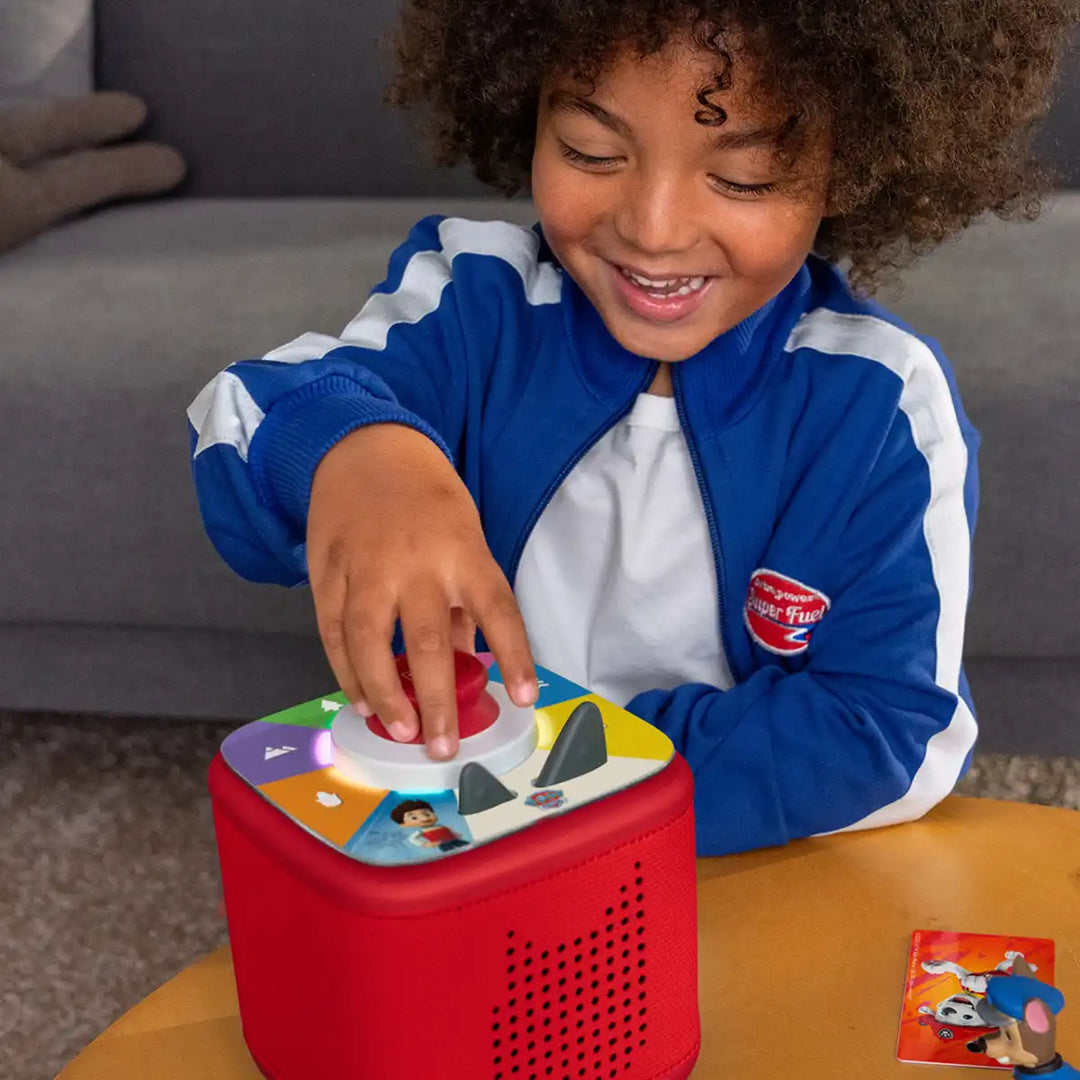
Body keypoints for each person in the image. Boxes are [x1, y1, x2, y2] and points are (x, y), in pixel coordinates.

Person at [187, 0, 1078, 854]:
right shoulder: (472, 300)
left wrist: (565, 768)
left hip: (710, 865)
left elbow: (897, 733)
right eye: (590, 150)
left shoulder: (882, 409)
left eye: (742, 177)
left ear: (852, 165)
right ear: (526, 106)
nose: (652, 231)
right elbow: (244, 417)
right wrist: (362, 460)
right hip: (461, 841)